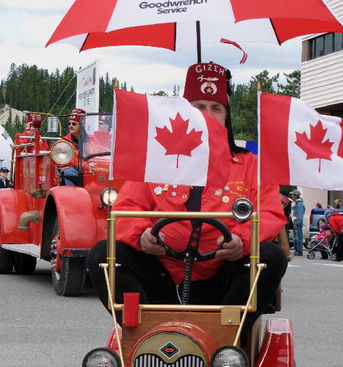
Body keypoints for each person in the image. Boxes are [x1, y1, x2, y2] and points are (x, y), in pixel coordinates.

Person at [87, 62, 288, 340]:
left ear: (227, 116)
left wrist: (241, 241)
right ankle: (143, 337)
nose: (207, 115)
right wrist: (142, 235)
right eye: (198, 107)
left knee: (271, 257)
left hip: (222, 279)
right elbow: (127, 209)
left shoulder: (251, 166)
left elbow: (270, 214)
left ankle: (226, 342)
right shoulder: (155, 162)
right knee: (102, 255)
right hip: (161, 276)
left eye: (216, 108)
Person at [60, 107, 86, 186]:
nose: (71, 126)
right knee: (68, 171)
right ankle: (73, 193)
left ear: (82, 124)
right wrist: (78, 163)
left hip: (88, 169)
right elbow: (60, 161)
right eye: (69, 124)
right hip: (74, 170)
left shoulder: (92, 139)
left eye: (74, 124)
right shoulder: (62, 142)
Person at [290, 189, 305, 256]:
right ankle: (297, 250)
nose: (292, 196)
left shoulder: (299, 204)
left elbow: (299, 215)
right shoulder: (297, 203)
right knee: (296, 237)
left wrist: (296, 223)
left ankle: (299, 251)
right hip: (295, 222)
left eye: (293, 195)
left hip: (297, 223)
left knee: (298, 237)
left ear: (296, 195)